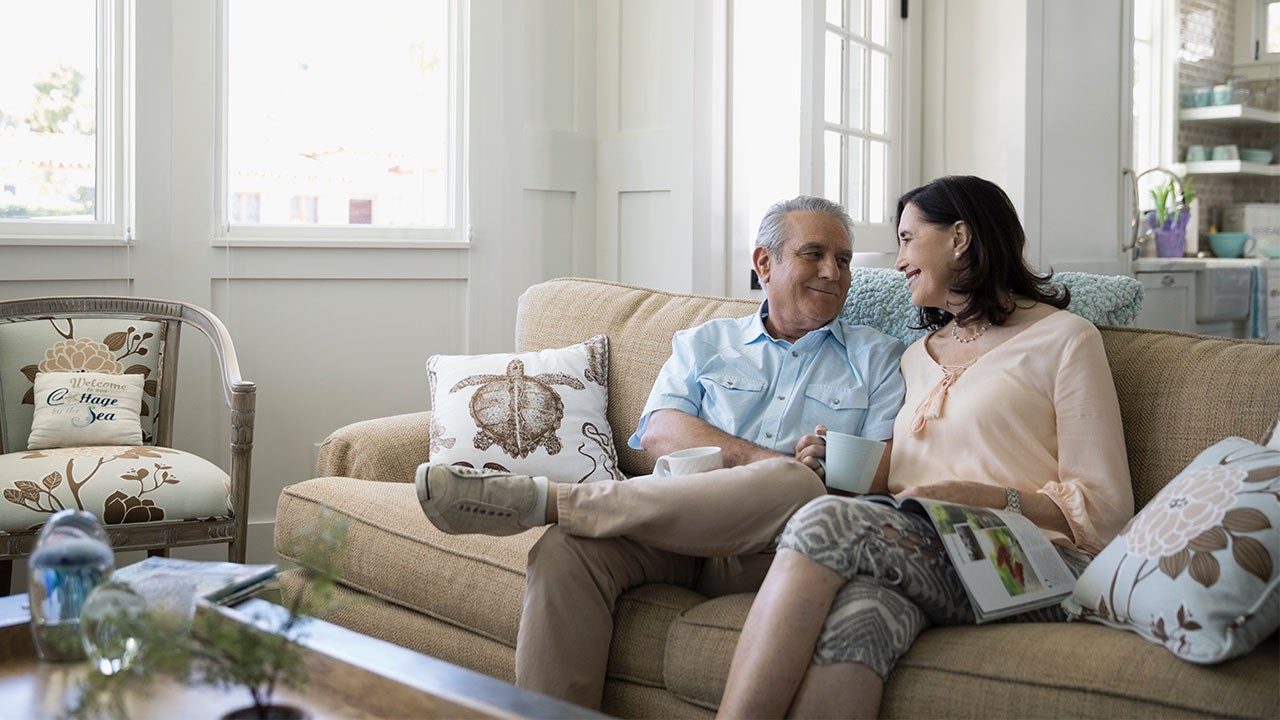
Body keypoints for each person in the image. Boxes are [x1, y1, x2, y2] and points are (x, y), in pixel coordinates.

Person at [415, 195, 908, 709]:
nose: (833, 272)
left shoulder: (879, 358)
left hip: (776, 548)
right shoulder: (705, 342)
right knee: (564, 550)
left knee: (798, 483)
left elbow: (882, 472)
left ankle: (546, 501)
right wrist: (768, 462)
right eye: (814, 254)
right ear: (765, 262)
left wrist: (822, 462)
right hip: (672, 529)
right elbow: (660, 431)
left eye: (843, 259)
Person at [715, 175, 1134, 719]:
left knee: (822, 522)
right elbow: (901, 478)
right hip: (928, 547)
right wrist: (836, 459)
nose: (898, 262)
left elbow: (1105, 512)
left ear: (959, 237)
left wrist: (985, 498)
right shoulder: (915, 357)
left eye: (908, 239)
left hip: (1033, 560)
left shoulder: (1066, 339)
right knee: (861, 615)